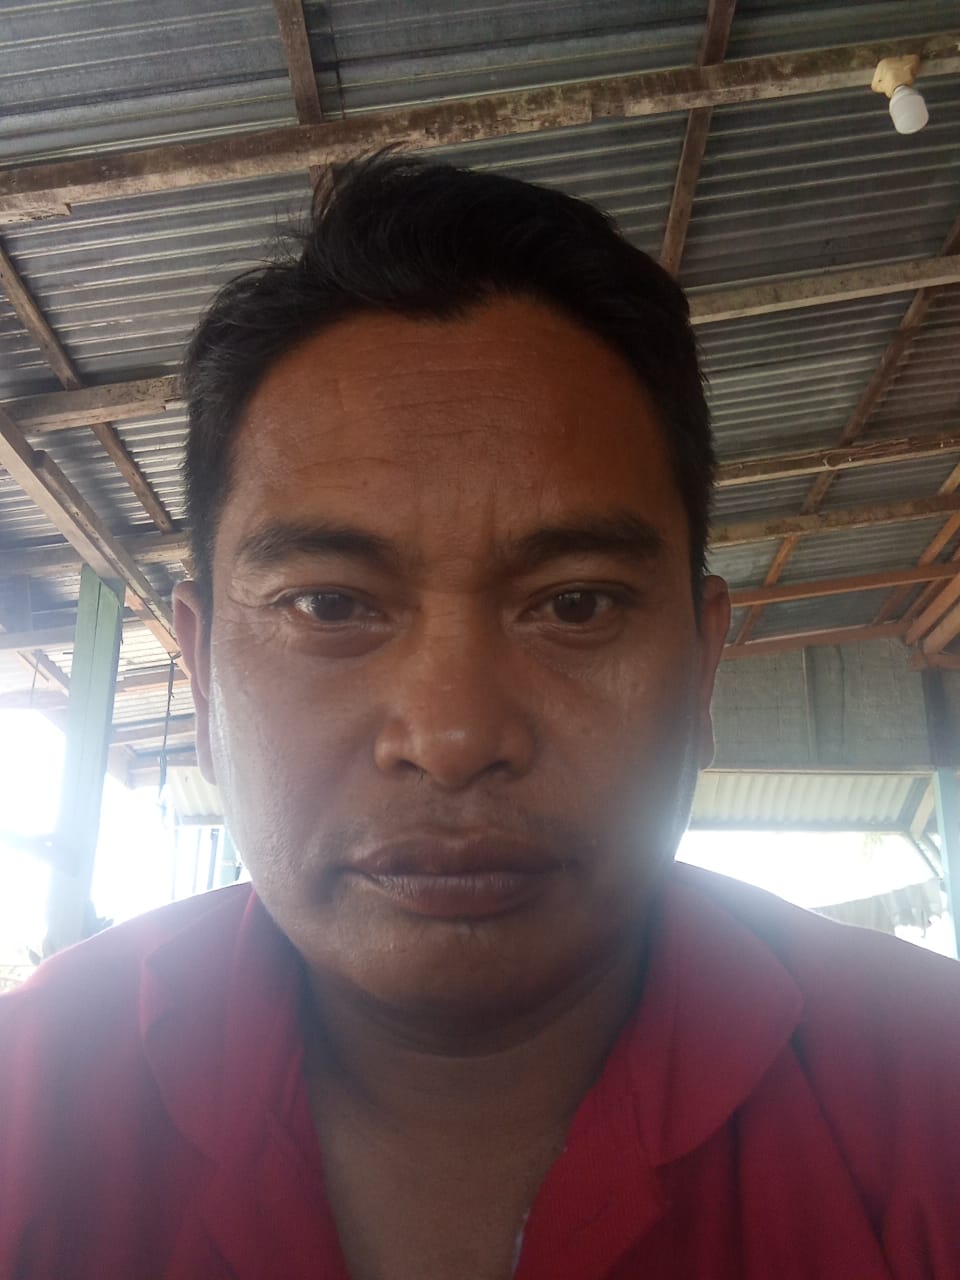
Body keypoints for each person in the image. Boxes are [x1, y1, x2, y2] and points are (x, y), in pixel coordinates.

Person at [1, 154, 958, 1280]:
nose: (452, 738)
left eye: (576, 604)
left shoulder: (924, 1094)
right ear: (203, 670)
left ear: (702, 665)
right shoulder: (32, 1106)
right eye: (330, 604)